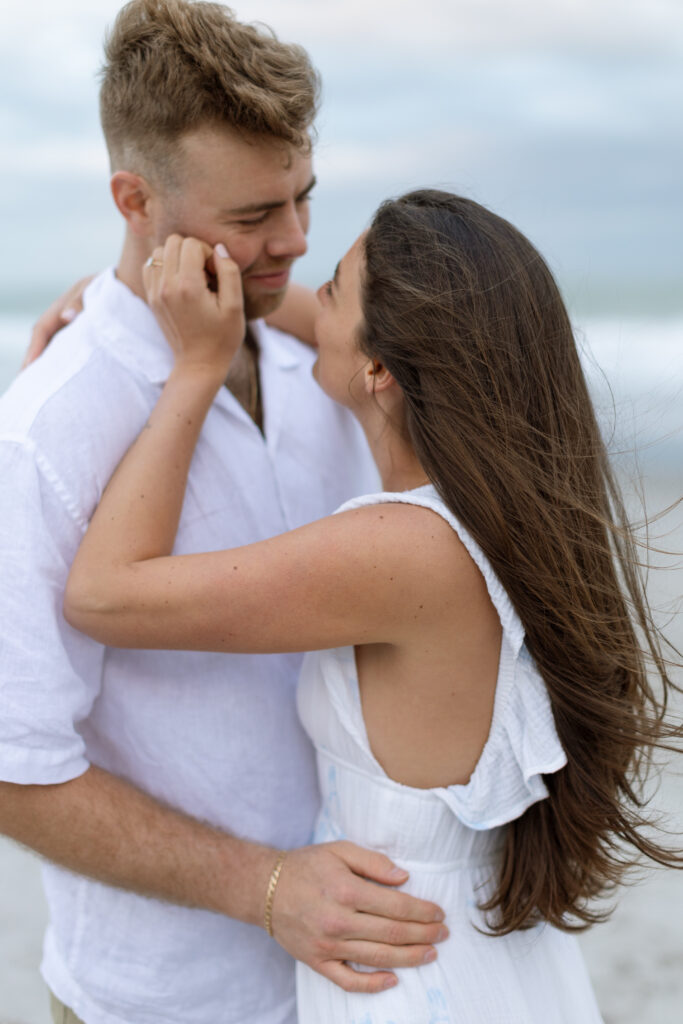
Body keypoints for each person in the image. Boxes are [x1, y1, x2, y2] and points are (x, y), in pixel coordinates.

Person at [63, 190, 682, 1023]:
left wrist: (196, 368)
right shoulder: (506, 515)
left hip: (410, 976)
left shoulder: (396, 550)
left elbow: (104, 595)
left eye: (331, 290)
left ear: (381, 369)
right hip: (479, 951)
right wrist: (128, 302)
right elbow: (322, 330)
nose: (305, 297)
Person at [0, 3, 448, 1024]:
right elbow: (13, 769)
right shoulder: (45, 433)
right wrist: (266, 888)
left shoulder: (319, 356)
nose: (294, 239)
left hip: (369, 985)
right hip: (165, 1000)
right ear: (134, 199)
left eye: (302, 198)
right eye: (253, 219)